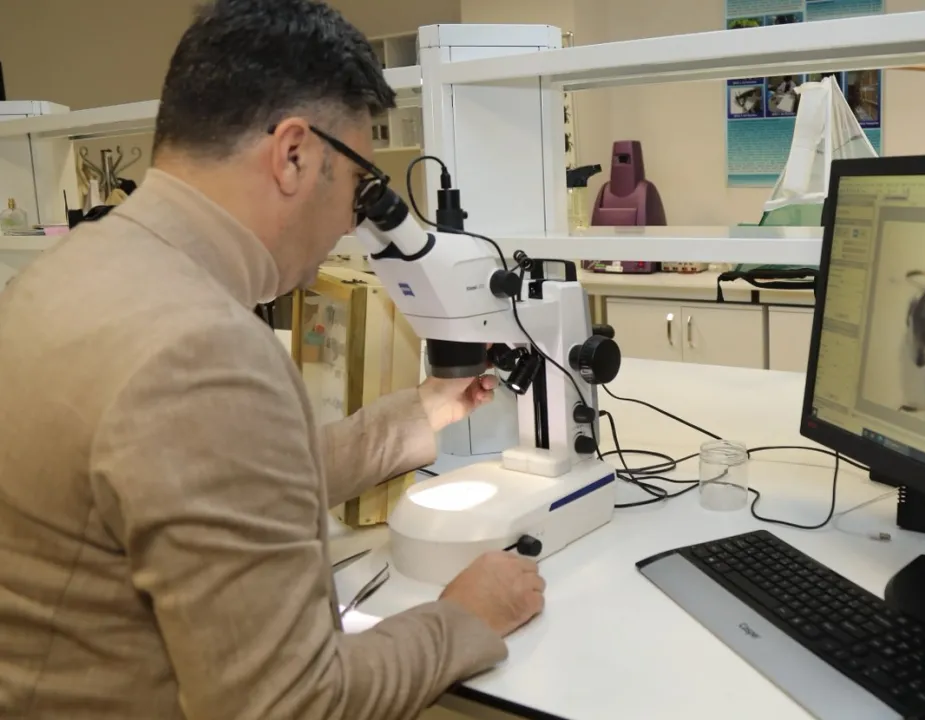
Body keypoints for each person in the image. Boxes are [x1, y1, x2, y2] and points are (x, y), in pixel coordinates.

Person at [0, 1, 545, 718]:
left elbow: (217, 479)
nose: (351, 219)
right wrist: (463, 618)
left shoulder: (58, 277)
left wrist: (419, 413)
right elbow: (293, 704)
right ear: (294, 155)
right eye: (359, 186)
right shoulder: (205, 347)